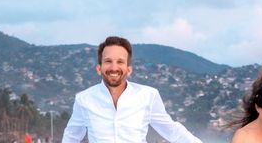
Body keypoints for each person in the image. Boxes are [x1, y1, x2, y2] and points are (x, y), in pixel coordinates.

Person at [61, 36, 202, 143]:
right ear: (99, 68)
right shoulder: (84, 99)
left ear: (129, 69)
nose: (114, 67)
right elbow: (71, 136)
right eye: (108, 61)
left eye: (120, 62)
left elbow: (172, 131)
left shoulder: (148, 96)